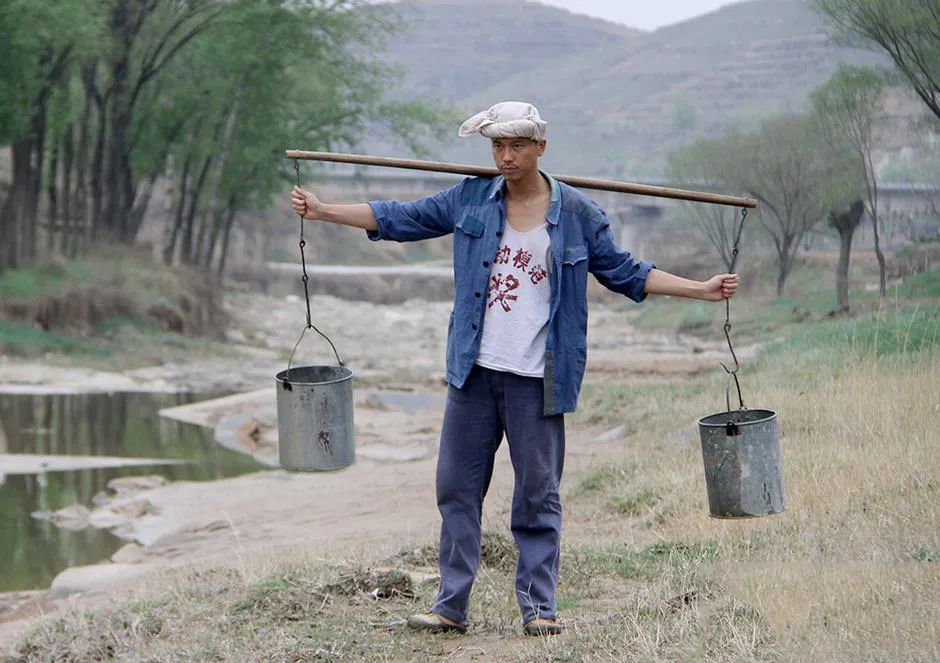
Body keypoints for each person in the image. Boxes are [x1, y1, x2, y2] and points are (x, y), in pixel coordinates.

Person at [290, 101, 738, 637]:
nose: (506, 157)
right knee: (456, 490)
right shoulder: (470, 199)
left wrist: (700, 289)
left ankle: (538, 608)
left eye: (517, 146)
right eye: (498, 146)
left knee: (537, 495)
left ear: (541, 147)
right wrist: (323, 211)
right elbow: (400, 217)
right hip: (473, 374)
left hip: (538, 378)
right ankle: (450, 606)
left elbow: (627, 272)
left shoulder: (579, 215)